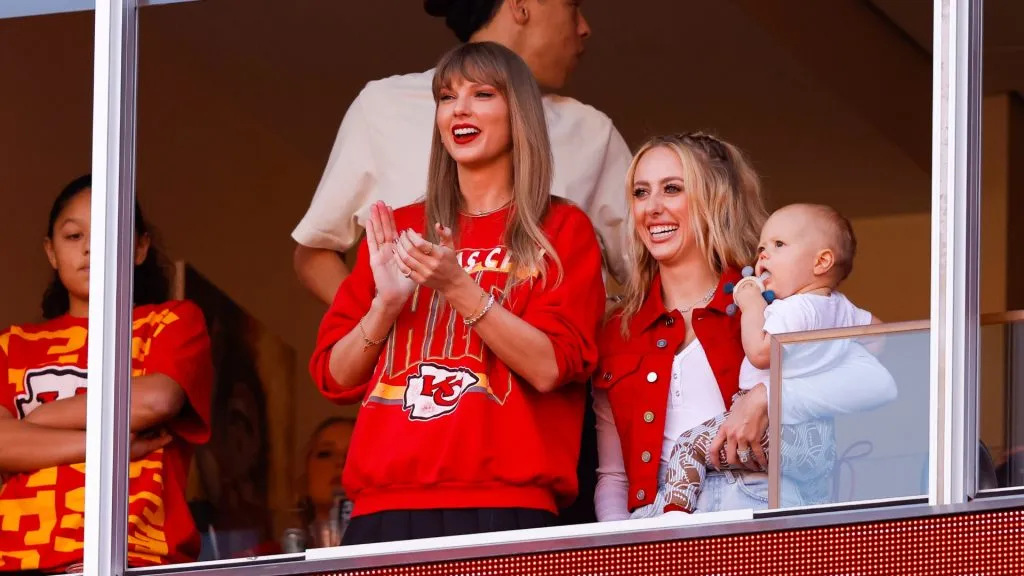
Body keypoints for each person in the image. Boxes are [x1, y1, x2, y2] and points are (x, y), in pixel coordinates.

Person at [310, 42, 605, 544]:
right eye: (447, 97)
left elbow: (552, 366)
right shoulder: (399, 228)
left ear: (520, 115)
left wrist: (458, 288)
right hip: (384, 507)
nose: (460, 109)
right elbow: (333, 378)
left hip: (507, 505)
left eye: (482, 94)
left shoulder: (562, 229)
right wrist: (384, 307)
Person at [292, 0, 631, 305]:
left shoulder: (591, 133)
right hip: (414, 374)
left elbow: (652, 275)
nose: (585, 27)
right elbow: (315, 251)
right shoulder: (384, 105)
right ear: (520, 5)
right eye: (572, 5)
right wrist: (382, 338)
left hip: (549, 372)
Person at [0, 175, 214, 573]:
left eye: (106, 231)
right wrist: (113, 447)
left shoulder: (170, 322)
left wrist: (38, 420)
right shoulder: (12, 346)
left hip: (135, 558)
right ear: (51, 251)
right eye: (72, 236)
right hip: (21, 560)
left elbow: (155, 401)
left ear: (139, 247)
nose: (88, 247)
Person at [630, 203, 897, 518]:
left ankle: (674, 514)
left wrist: (750, 301)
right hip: (815, 441)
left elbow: (759, 352)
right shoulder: (841, 308)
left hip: (774, 428)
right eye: (761, 248)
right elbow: (880, 338)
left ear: (822, 261)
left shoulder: (792, 309)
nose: (763, 256)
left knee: (689, 444)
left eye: (778, 245)